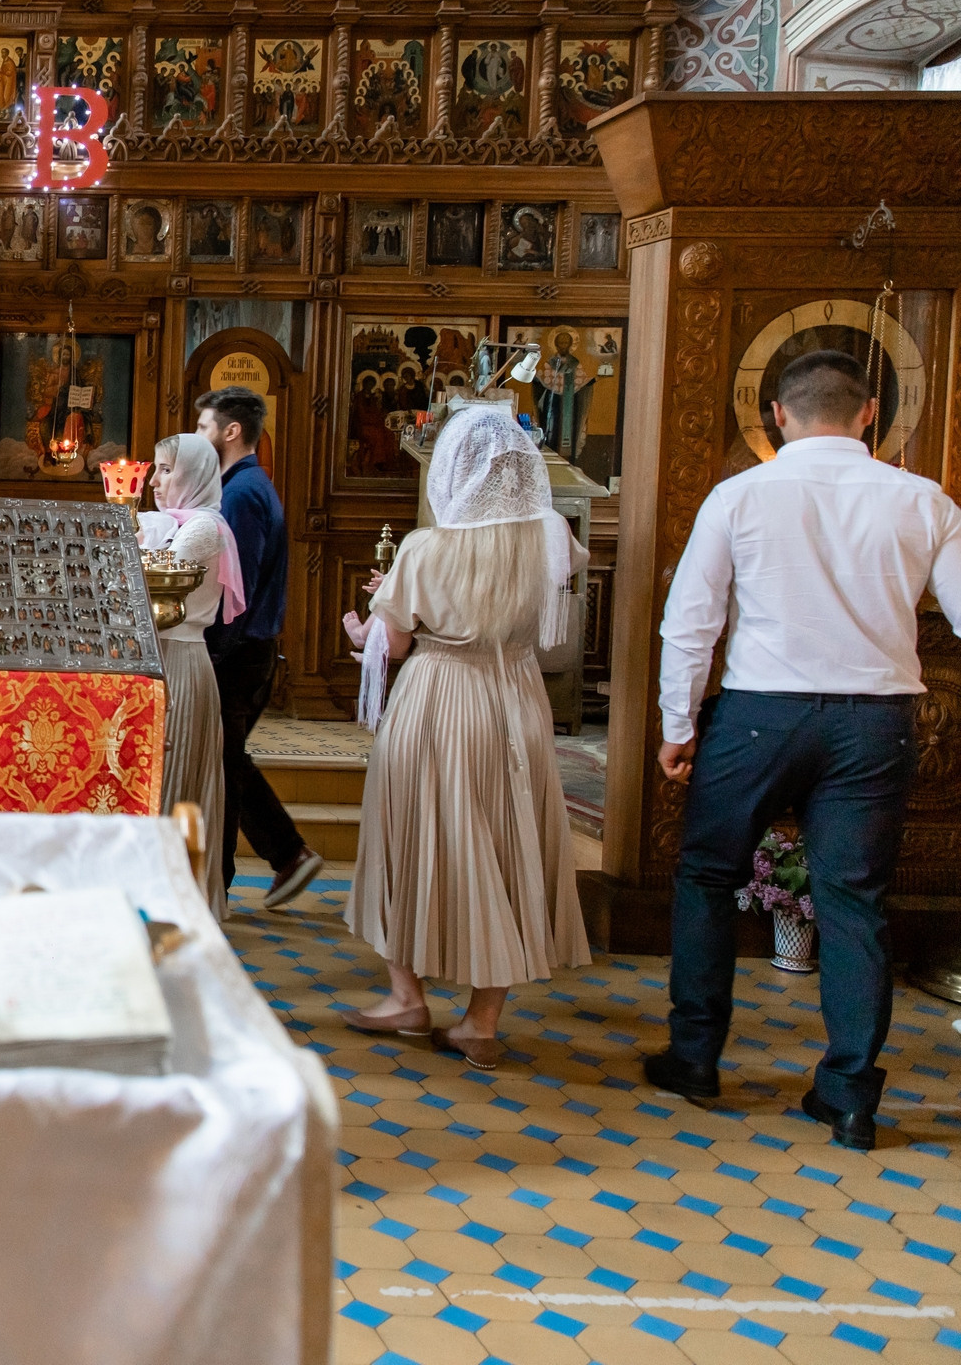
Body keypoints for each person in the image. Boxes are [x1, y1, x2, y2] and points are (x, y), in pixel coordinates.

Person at [643, 350, 961, 1150]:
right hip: (876, 723)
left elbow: (691, 622)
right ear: (868, 414)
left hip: (760, 715)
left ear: (779, 415)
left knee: (709, 876)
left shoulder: (740, 495)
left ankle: (695, 1058)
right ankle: (849, 1098)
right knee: (853, 902)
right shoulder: (924, 500)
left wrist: (678, 724)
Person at [337, 405, 590, 1066]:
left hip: (438, 698)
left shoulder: (426, 548)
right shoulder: (551, 539)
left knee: (408, 836)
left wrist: (369, 625)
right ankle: (481, 1021)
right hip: (517, 699)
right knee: (508, 845)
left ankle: (406, 997)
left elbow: (392, 645)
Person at [196, 385, 322, 909]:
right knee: (228, 761)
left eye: (203, 427)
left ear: (231, 431)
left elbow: (235, 588)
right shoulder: (243, 485)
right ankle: (287, 854)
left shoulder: (242, 493)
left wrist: (212, 654)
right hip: (246, 649)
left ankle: (220, 885)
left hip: (238, 651)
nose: (197, 436)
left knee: (225, 768)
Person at [140, 434, 239, 917]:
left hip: (180, 657)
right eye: (155, 470)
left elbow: (147, 584)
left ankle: (175, 906)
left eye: (165, 470)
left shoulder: (202, 528)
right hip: (156, 657)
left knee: (173, 782)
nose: (154, 482)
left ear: (195, 474)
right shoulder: (172, 522)